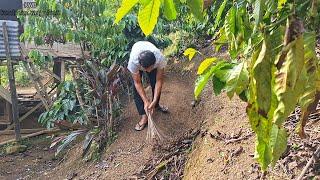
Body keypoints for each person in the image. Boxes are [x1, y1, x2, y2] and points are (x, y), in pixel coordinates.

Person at [127, 41, 168, 131]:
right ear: (141, 65)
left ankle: (156, 105)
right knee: (136, 89)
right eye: (146, 69)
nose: (148, 71)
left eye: (151, 68)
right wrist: (146, 101)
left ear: (154, 63)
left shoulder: (160, 59)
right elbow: (138, 83)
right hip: (137, 53)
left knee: (154, 81)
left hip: (151, 60)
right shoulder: (134, 62)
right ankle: (144, 116)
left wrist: (154, 100)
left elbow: (159, 80)